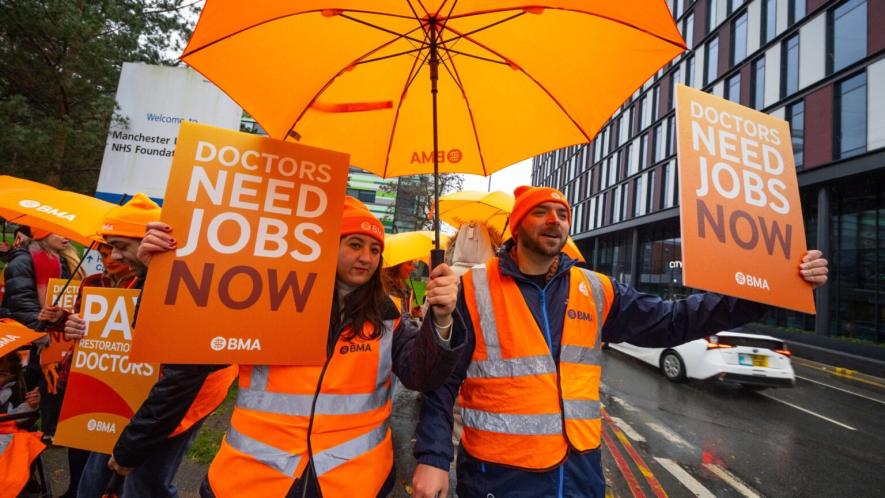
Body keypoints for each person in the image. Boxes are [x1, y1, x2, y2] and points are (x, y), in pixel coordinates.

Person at [411, 186, 830, 498]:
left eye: (562, 212)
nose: (555, 220)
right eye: (541, 212)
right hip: (497, 477)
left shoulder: (596, 290)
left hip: (579, 475)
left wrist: (767, 289)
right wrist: (432, 459)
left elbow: (673, 321)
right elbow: (441, 383)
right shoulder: (472, 289)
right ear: (518, 226)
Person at [128, 196, 464, 497]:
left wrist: (443, 319)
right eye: (355, 245)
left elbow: (422, 375)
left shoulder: (388, 318)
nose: (366, 257)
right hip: (253, 481)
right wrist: (158, 274)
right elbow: (183, 344)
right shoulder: (267, 303)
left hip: (353, 483)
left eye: (374, 249)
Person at [60, 193, 237, 498]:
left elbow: (183, 373)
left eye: (120, 247)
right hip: (142, 394)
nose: (113, 258)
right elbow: (131, 332)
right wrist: (81, 329)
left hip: (181, 400)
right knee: (109, 477)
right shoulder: (144, 279)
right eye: (109, 248)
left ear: (148, 243)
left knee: (145, 482)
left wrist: (135, 444)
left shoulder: (179, 280)